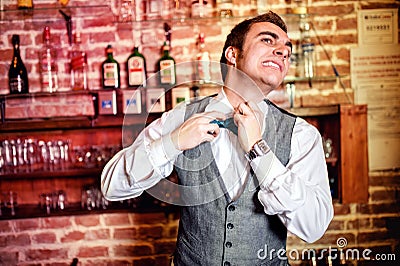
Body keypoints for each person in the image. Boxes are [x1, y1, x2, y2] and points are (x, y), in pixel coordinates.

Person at [101, 11, 334, 266]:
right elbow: (111, 185)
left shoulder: (301, 134)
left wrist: (259, 150)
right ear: (232, 55)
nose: (282, 51)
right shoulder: (181, 118)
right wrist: (173, 142)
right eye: (268, 41)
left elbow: (315, 227)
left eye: (286, 50)